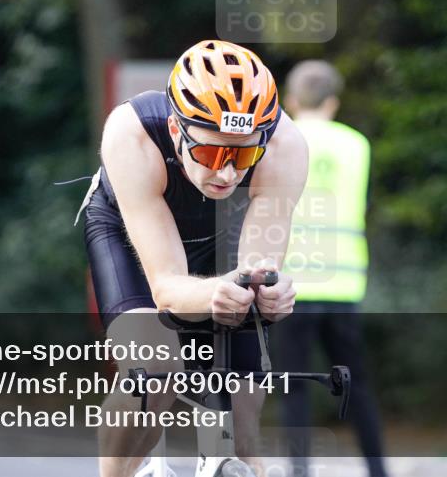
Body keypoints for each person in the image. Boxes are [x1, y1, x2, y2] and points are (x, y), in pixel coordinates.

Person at [80, 40, 308, 477]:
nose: (226, 172)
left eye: (243, 154)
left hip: (223, 231)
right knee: (153, 371)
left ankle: (227, 460)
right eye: (209, 152)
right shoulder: (132, 133)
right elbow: (166, 287)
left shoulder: (285, 145)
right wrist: (213, 293)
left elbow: (258, 266)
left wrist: (270, 292)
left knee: (244, 412)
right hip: (129, 234)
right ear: (174, 129)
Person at [277, 60, 389, 477]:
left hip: (290, 284)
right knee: (356, 385)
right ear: (333, 102)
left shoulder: (277, 140)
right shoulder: (356, 145)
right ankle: (378, 470)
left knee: (294, 389)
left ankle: (299, 471)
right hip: (343, 283)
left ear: (290, 100)